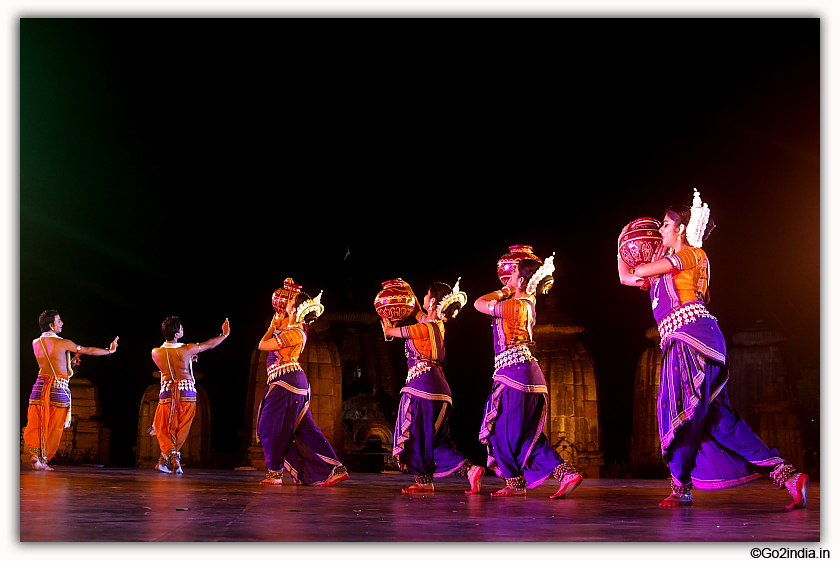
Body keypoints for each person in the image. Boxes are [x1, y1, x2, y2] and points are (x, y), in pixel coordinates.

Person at [617, 189, 808, 509]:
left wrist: (632, 252)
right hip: (694, 341)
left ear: (680, 229)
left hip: (691, 339)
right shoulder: (667, 269)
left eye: (665, 224)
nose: (660, 230)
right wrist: (621, 243)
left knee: (681, 411)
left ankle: (681, 486)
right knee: (719, 419)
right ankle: (787, 476)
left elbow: (638, 270)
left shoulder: (692, 254)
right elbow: (627, 277)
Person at [474, 254, 584, 498]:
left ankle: (515, 483)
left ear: (522, 280)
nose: (508, 279)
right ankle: (564, 473)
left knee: (499, 432)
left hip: (515, 377)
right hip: (526, 377)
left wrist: (503, 291)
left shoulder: (515, 305)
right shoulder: (528, 303)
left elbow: (479, 303)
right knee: (524, 434)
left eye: (513, 275)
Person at [382, 279, 485, 494]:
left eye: (426, 295)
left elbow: (392, 333)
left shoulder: (423, 328)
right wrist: (407, 292)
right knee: (434, 439)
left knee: (414, 437)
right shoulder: (436, 325)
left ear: (434, 301)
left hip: (422, 388)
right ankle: (469, 470)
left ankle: (424, 480)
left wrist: (387, 322)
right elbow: (418, 311)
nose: (423, 298)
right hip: (440, 390)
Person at [256, 290, 349, 487]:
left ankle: (275, 473)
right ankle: (335, 469)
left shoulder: (294, 333)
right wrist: (278, 320)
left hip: (286, 383)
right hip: (290, 383)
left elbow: (263, 345)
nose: (286, 304)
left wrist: (272, 326)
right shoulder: (293, 329)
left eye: (290, 302)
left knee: (269, 426)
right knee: (305, 429)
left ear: (297, 309)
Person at [24, 310, 119, 470]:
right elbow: (88, 350)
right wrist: (109, 351)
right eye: (59, 321)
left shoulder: (35, 342)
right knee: (54, 426)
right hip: (58, 388)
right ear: (51, 325)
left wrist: (70, 364)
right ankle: (43, 457)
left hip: (39, 387)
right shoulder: (63, 343)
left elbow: (52, 363)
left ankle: (35, 455)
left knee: (37, 422)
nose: (62, 323)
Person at [150, 316, 230, 474]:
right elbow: (210, 344)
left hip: (167, 393)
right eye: (181, 328)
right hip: (187, 392)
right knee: (181, 428)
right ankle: (172, 459)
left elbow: (169, 364)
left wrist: (188, 360)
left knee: (164, 427)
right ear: (178, 333)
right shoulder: (187, 349)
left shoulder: (155, 352)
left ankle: (168, 460)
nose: (183, 330)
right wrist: (224, 335)